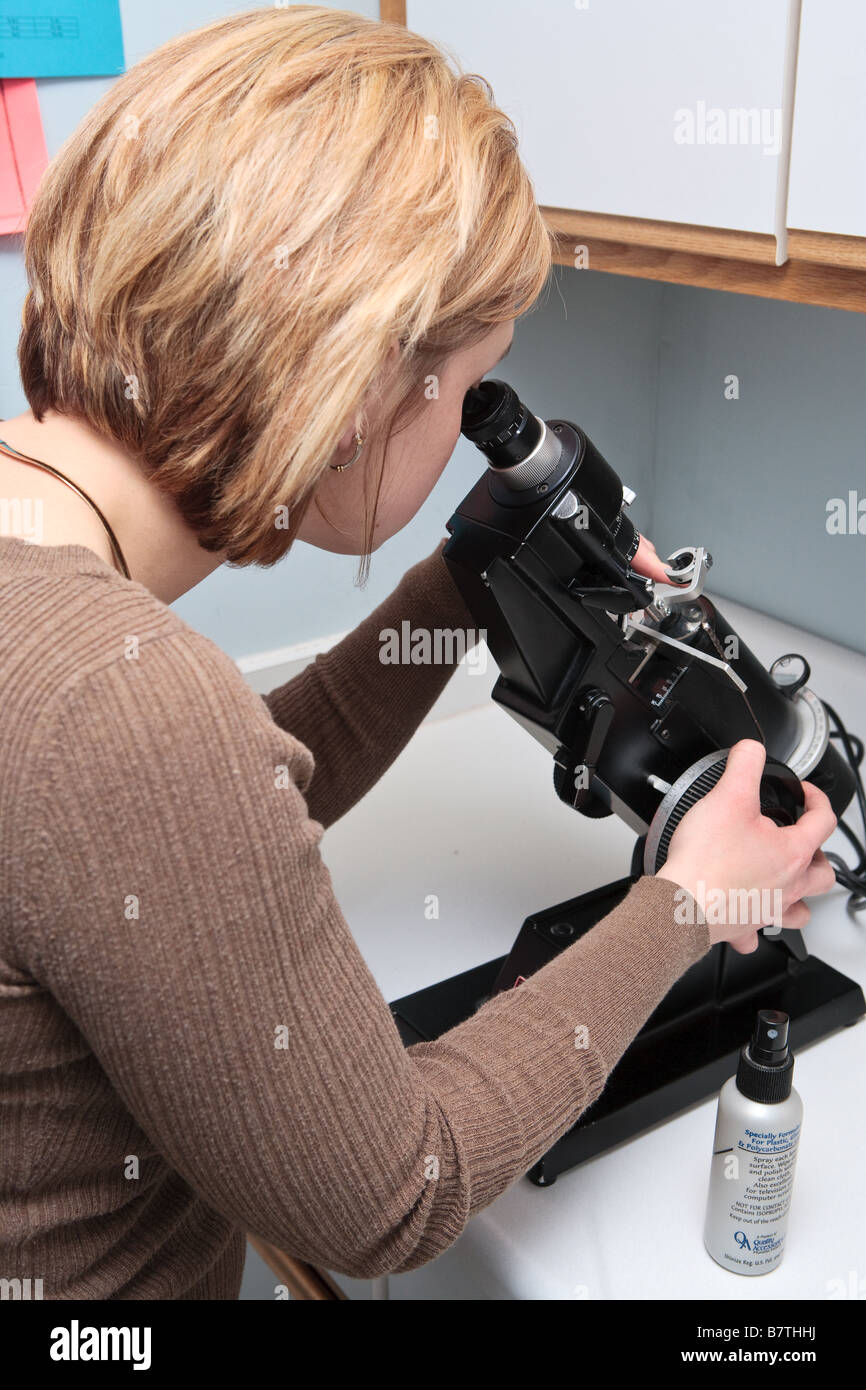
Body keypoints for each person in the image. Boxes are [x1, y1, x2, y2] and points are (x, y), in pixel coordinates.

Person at [0, 6, 837, 1299]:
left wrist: (483, 569)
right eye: (459, 390)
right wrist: (691, 901)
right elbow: (398, 1196)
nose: (460, 434)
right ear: (346, 387)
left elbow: (205, 818)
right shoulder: (124, 709)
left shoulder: (59, 626)